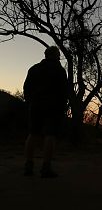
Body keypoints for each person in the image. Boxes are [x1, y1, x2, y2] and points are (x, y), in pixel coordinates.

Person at [23, 46, 68, 178]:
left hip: (35, 105)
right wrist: (63, 106)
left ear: (45, 55)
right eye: (58, 54)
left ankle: (28, 166)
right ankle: (46, 168)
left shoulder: (34, 68)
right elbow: (63, 91)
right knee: (50, 135)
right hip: (53, 107)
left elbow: (26, 88)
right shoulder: (59, 70)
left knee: (33, 134)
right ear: (56, 55)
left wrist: (30, 102)